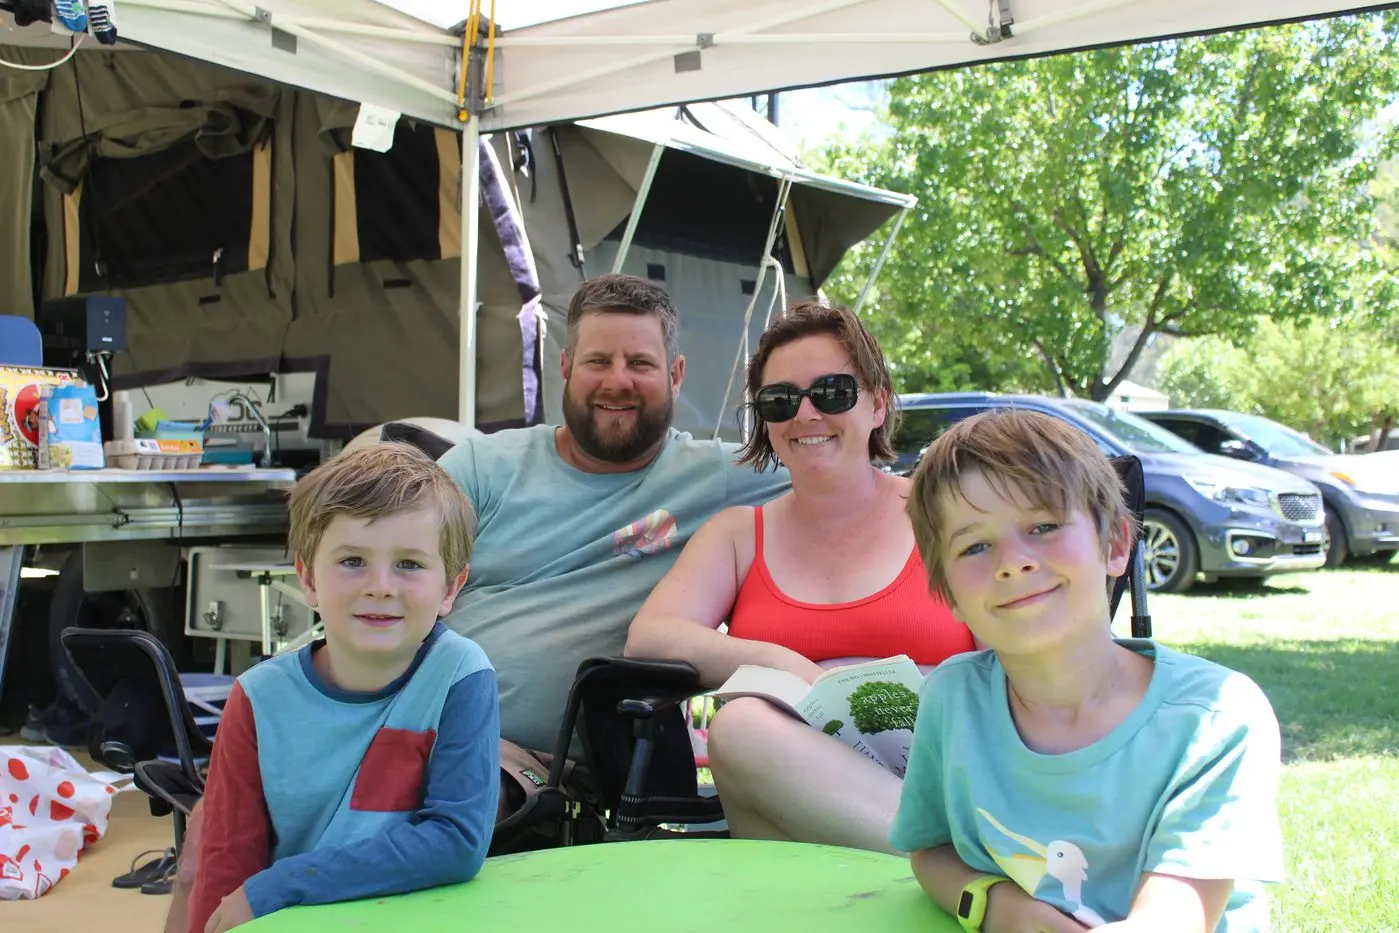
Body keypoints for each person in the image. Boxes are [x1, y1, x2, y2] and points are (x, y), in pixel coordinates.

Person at [894, 409, 1284, 932]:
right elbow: (932, 850)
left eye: (1044, 526)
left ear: (1117, 544)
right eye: (975, 545)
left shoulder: (1215, 718)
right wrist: (998, 906)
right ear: (949, 596)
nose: (1013, 562)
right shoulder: (952, 698)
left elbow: (1174, 918)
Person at [625, 298, 975, 854]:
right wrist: (785, 664)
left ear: (878, 404)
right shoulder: (740, 534)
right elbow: (649, 638)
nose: (806, 414)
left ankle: (950, 868)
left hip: (947, 767)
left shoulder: (947, 515)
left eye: (832, 391)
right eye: (781, 400)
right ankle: (959, 872)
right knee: (740, 730)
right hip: (796, 800)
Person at [435, 273, 791, 799]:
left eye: (640, 363)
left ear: (676, 375)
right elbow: (386, 574)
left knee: (443, 798)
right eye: (598, 361)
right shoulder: (481, 467)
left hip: (533, 772)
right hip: (409, 726)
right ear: (565, 368)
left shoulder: (717, 479)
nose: (617, 381)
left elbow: (858, 485)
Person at [182, 443, 500, 933]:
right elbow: (228, 864)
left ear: (451, 589)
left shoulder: (461, 675)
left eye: (409, 565)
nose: (380, 586)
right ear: (308, 579)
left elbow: (456, 841)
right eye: (352, 560)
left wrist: (284, 883)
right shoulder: (258, 698)